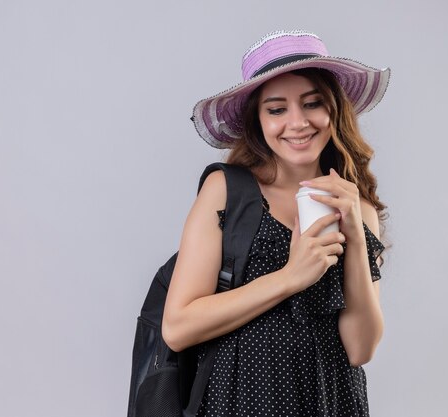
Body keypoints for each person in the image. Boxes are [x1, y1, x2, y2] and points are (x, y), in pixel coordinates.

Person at [162, 30, 390, 417]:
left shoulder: (357, 208)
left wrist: (353, 227)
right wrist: (290, 276)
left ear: (333, 109)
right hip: (242, 400)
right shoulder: (227, 191)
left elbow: (360, 348)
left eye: (312, 103)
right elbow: (178, 326)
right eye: (277, 109)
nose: (297, 123)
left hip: (330, 401)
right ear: (258, 120)